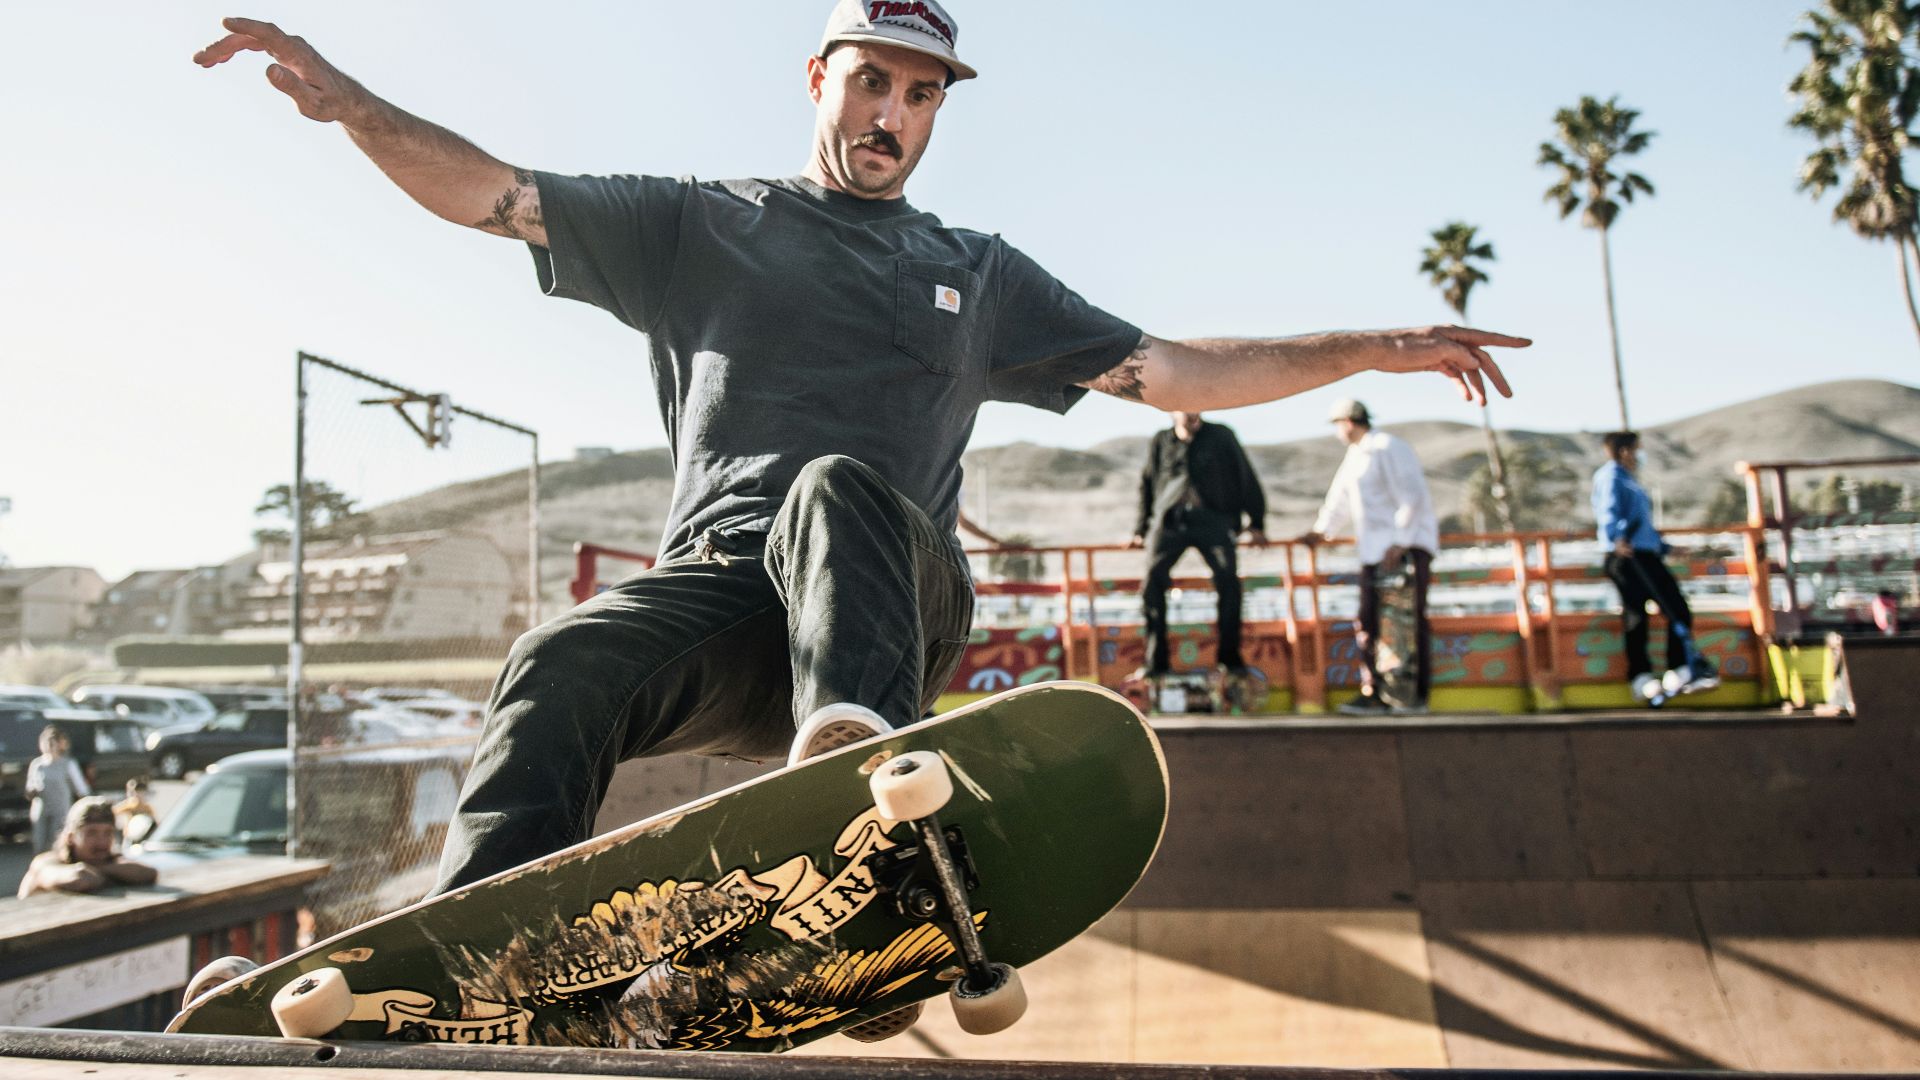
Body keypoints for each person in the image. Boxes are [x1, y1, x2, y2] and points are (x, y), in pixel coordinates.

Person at [193, 3, 1525, 907]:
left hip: (894, 606)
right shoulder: (700, 225)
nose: (895, 113)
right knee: (557, 659)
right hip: (730, 613)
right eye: (873, 82)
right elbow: (494, 194)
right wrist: (354, 105)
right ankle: (485, 947)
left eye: (921, 95)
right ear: (818, 78)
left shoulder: (976, 272)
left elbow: (1173, 372)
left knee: (835, 490)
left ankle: (872, 820)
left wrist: (1372, 345)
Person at [1302, 399, 1439, 715]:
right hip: (1375, 552)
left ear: (1348, 422)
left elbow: (1413, 495)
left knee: (1404, 622)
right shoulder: (1355, 457)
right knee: (1370, 622)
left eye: (1337, 425)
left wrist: (1401, 541)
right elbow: (1339, 501)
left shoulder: (1388, 447)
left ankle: (1409, 696)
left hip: (1402, 550)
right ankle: (1376, 692)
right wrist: (1321, 531)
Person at [1126, 412, 1268, 682]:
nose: (1191, 413)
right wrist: (1140, 529)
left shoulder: (1221, 435)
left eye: (1195, 408)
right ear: (1172, 411)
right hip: (1170, 520)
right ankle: (1155, 663)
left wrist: (1257, 521)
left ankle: (1230, 659)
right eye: (1184, 409)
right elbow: (1147, 483)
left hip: (1213, 520)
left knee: (1228, 580)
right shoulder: (1161, 440)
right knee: (1152, 581)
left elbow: (1244, 474)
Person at [1591, 432, 1717, 704]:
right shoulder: (1611, 477)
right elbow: (1608, 512)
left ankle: (1679, 670)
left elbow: (1642, 525)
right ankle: (1641, 677)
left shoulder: (1629, 480)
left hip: (1646, 555)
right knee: (1637, 616)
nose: (1640, 455)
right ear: (1625, 451)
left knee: (1677, 608)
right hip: (1628, 557)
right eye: (1637, 449)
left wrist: (1666, 548)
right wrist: (1616, 539)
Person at [16, 797, 159, 899]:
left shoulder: (108, 861)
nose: (101, 842)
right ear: (71, 837)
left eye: (108, 833)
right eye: (92, 833)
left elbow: (148, 873)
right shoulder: (45, 863)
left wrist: (102, 869)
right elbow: (80, 878)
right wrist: (109, 872)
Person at [25, 726, 90, 855]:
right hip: (41, 808)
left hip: (60, 808)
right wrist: (32, 791)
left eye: (52, 742)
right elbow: (29, 788)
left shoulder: (68, 764)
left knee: (56, 841)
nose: (49, 746)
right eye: (45, 742)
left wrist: (85, 806)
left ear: (59, 744)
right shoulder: (37, 765)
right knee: (39, 842)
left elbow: (81, 789)